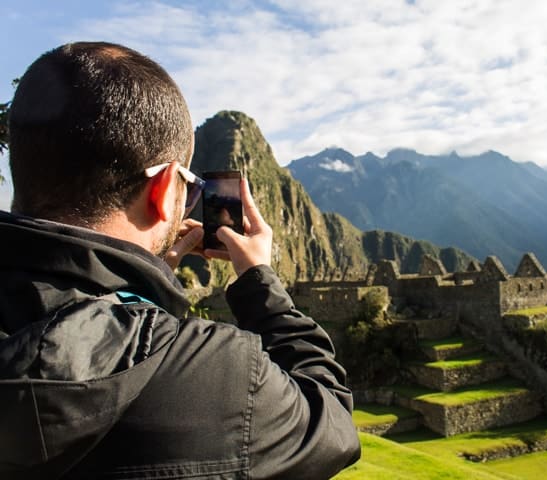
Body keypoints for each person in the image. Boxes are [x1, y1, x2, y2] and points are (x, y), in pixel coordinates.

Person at [0, 42, 360, 479]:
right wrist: (259, 281)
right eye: (188, 187)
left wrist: (133, 294)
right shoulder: (217, 378)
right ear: (163, 188)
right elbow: (333, 426)